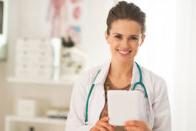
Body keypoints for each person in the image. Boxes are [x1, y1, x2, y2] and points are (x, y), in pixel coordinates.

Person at [66, 1, 171, 131]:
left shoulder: (156, 85)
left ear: (142, 40)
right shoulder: (85, 80)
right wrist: (91, 130)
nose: (125, 45)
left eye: (133, 38)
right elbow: (71, 127)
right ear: (107, 36)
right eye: (118, 36)